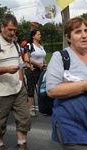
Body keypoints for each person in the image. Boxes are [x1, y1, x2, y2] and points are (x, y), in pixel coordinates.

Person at [0, 14, 31, 150]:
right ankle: (0, 146)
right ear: (2, 27)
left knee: (24, 119)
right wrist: (6, 69)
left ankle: (22, 145)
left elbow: (19, 65)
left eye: (14, 30)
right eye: (9, 29)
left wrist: (22, 80)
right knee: (0, 124)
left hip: (18, 90)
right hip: (0, 93)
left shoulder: (16, 45)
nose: (12, 33)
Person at [46, 17, 87, 150]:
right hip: (72, 127)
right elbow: (52, 90)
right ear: (68, 37)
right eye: (78, 32)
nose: (84, 35)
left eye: (86, 31)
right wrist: (84, 85)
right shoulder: (61, 57)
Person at [23, 29, 47, 117]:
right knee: (31, 89)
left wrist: (44, 63)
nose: (40, 35)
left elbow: (42, 56)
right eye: (38, 34)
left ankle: (45, 107)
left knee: (43, 89)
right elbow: (26, 58)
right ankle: (30, 108)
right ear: (33, 36)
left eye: (40, 34)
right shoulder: (29, 45)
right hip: (32, 70)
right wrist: (37, 64)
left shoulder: (41, 46)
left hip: (41, 70)